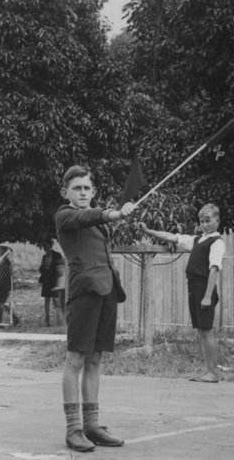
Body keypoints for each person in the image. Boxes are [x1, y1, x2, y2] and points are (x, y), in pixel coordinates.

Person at [55, 165, 136, 452]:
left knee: (95, 360)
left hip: (106, 292)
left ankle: (91, 425)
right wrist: (113, 213)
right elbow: (88, 216)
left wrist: (113, 215)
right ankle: (73, 429)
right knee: (75, 359)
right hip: (83, 294)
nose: (82, 192)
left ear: (93, 191)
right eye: (76, 188)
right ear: (66, 192)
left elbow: (95, 218)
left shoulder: (97, 221)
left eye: (87, 188)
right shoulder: (65, 215)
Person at [137, 203, 225, 383]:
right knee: (202, 331)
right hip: (194, 286)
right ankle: (208, 370)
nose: (204, 224)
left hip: (204, 287)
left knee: (207, 330)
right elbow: (172, 237)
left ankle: (213, 373)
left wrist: (208, 296)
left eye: (208, 221)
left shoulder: (216, 242)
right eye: (201, 221)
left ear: (217, 220)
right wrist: (148, 231)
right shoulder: (197, 239)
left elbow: (214, 269)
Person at [38, 239, 64, 326]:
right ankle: (47, 320)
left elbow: (60, 267)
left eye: (46, 245)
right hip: (46, 281)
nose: (44, 247)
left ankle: (60, 320)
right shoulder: (44, 257)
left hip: (54, 280)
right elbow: (40, 270)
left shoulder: (57, 255)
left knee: (56, 300)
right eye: (43, 246)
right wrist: (44, 265)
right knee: (47, 300)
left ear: (50, 245)